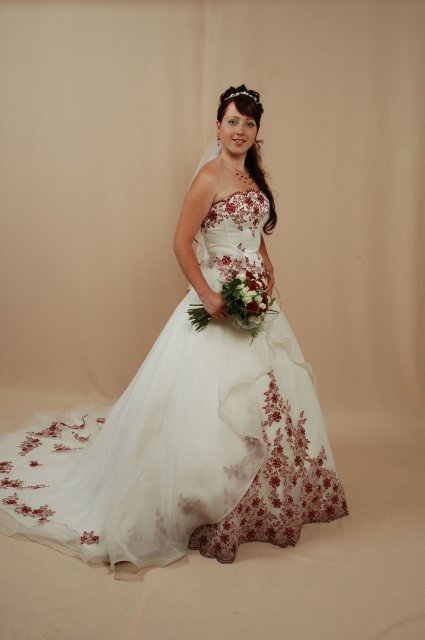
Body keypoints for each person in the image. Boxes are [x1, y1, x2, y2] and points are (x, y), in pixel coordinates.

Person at [0, 85, 348, 571]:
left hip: (257, 300)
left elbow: (253, 236)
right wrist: (208, 294)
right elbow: (182, 242)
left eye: (249, 123)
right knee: (210, 401)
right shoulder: (208, 177)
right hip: (218, 298)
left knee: (272, 392)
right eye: (232, 121)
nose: (240, 130)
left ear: (256, 131)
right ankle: (207, 500)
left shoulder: (252, 177)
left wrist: (267, 271)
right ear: (217, 126)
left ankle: (262, 495)